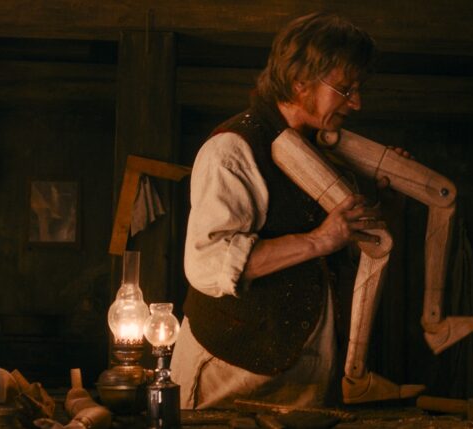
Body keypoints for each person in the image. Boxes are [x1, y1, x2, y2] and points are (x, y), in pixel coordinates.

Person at [172, 12, 401, 409]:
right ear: (300, 81)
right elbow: (206, 264)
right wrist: (318, 241)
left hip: (307, 379)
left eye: (358, 89)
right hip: (228, 373)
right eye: (345, 89)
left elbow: (347, 249)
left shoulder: (324, 153)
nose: (356, 103)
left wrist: (386, 200)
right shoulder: (232, 149)